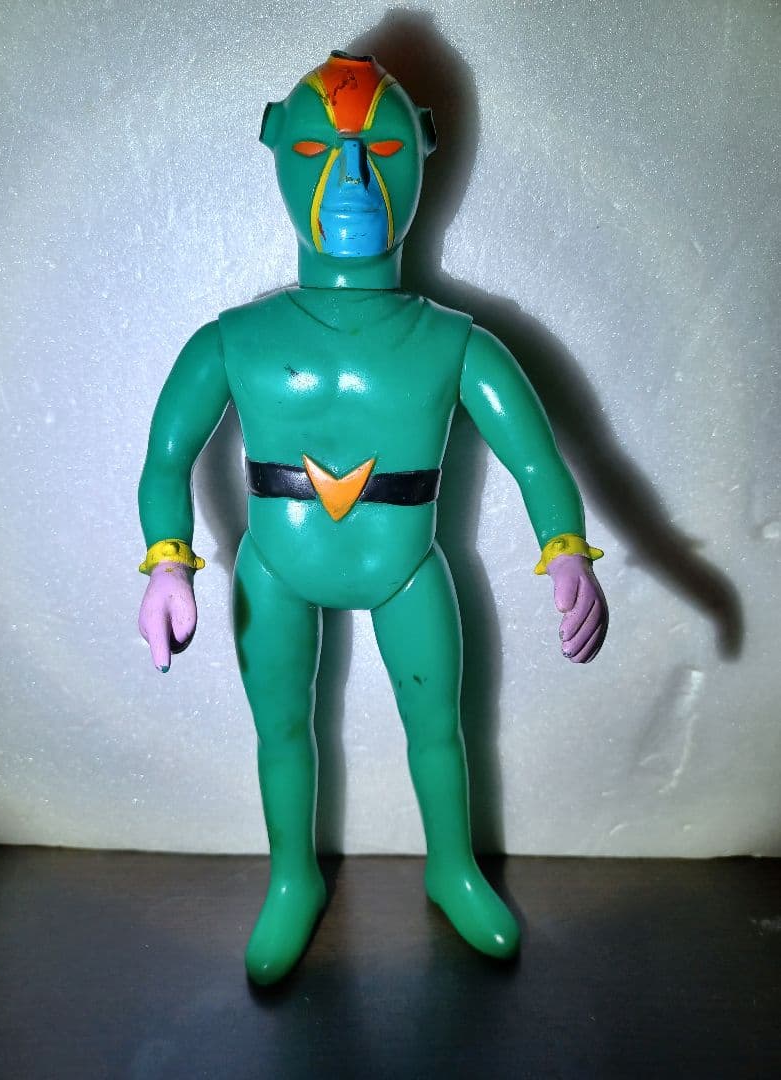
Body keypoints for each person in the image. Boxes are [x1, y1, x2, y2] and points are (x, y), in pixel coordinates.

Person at [138, 52, 608, 985]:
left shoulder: (456, 343)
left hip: (407, 566)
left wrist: (568, 552)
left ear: (423, 150)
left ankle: (453, 866)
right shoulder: (235, 339)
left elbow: (537, 462)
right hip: (274, 567)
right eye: (320, 150)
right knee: (282, 731)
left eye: (381, 149)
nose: (351, 178)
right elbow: (165, 458)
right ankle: (292, 876)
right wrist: (167, 560)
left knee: (438, 729)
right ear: (278, 146)